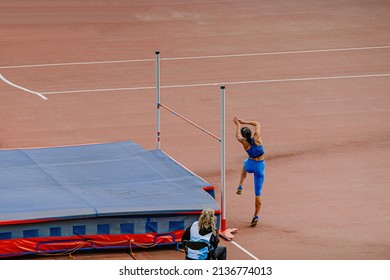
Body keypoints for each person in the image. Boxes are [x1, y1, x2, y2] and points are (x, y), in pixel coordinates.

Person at [232, 116, 265, 227]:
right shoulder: (257, 138)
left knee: (244, 166)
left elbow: (237, 136)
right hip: (260, 166)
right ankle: (256, 215)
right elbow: (257, 123)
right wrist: (245, 121)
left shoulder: (245, 143)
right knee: (258, 192)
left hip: (250, 164)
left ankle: (240, 185)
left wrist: (238, 125)